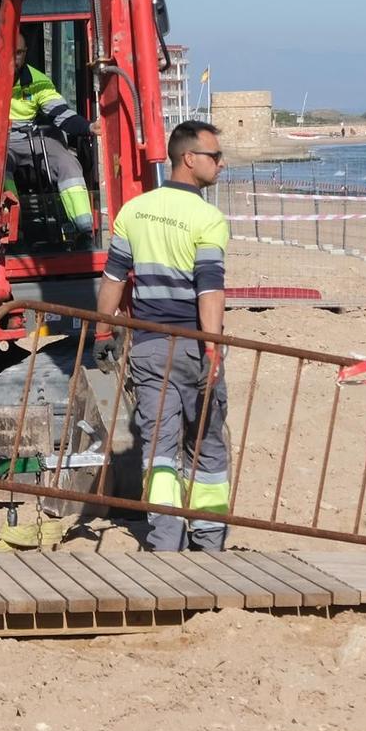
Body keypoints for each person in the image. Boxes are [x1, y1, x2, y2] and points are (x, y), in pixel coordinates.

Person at [96, 120, 231, 552]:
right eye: (214, 156)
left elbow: (114, 280)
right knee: (207, 445)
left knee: (159, 448)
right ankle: (208, 542)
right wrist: (212, 347)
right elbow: (209, 288)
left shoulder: (134, 211)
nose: (221, 163)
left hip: (150, 346)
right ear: (189, 159)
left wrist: (102, 329)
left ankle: (165, 542)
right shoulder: (208, 218)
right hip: (192, 344)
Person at [7, 48, 94, 245]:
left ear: (25, 53)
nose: (14, 57)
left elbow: (59, 112)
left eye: (18, 52)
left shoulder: (38, 81)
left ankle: (84, 229)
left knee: (66, 162)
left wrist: (88, 127)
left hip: (33, 137)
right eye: (10, 51)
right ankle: (12, 229)